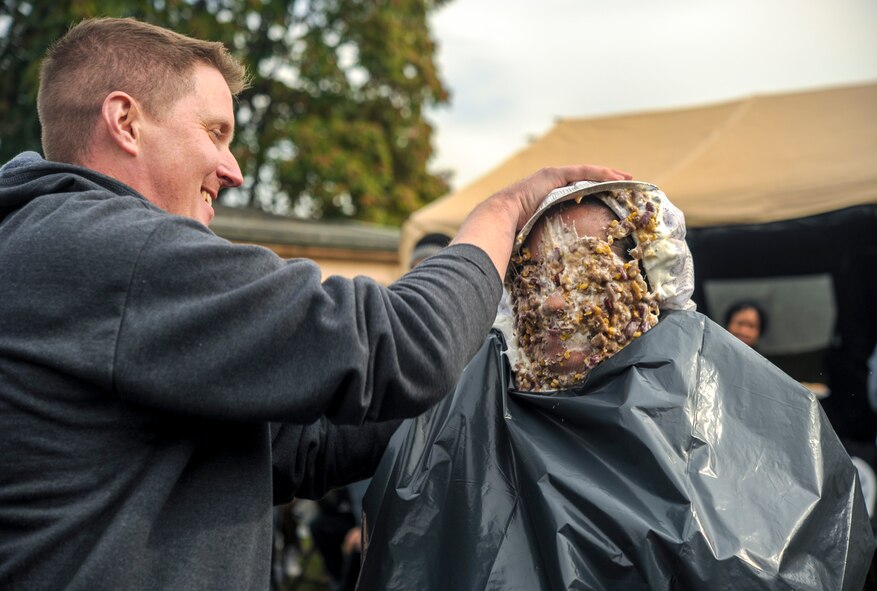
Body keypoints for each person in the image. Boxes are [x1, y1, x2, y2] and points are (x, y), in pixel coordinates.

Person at [0, 17, 631, 590]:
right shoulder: (108, 249)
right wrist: (503, 212)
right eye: (215, 132)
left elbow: (302, 447)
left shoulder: (61, 255)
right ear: (125, 121)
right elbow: (400, 346)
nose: (234, 169)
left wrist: (514, 366)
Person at [357, 181, 875, 590]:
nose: (556, 302)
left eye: (582, 270)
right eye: (536, 278)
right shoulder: (468, 415)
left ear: (646, 283)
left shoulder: (719, 411)